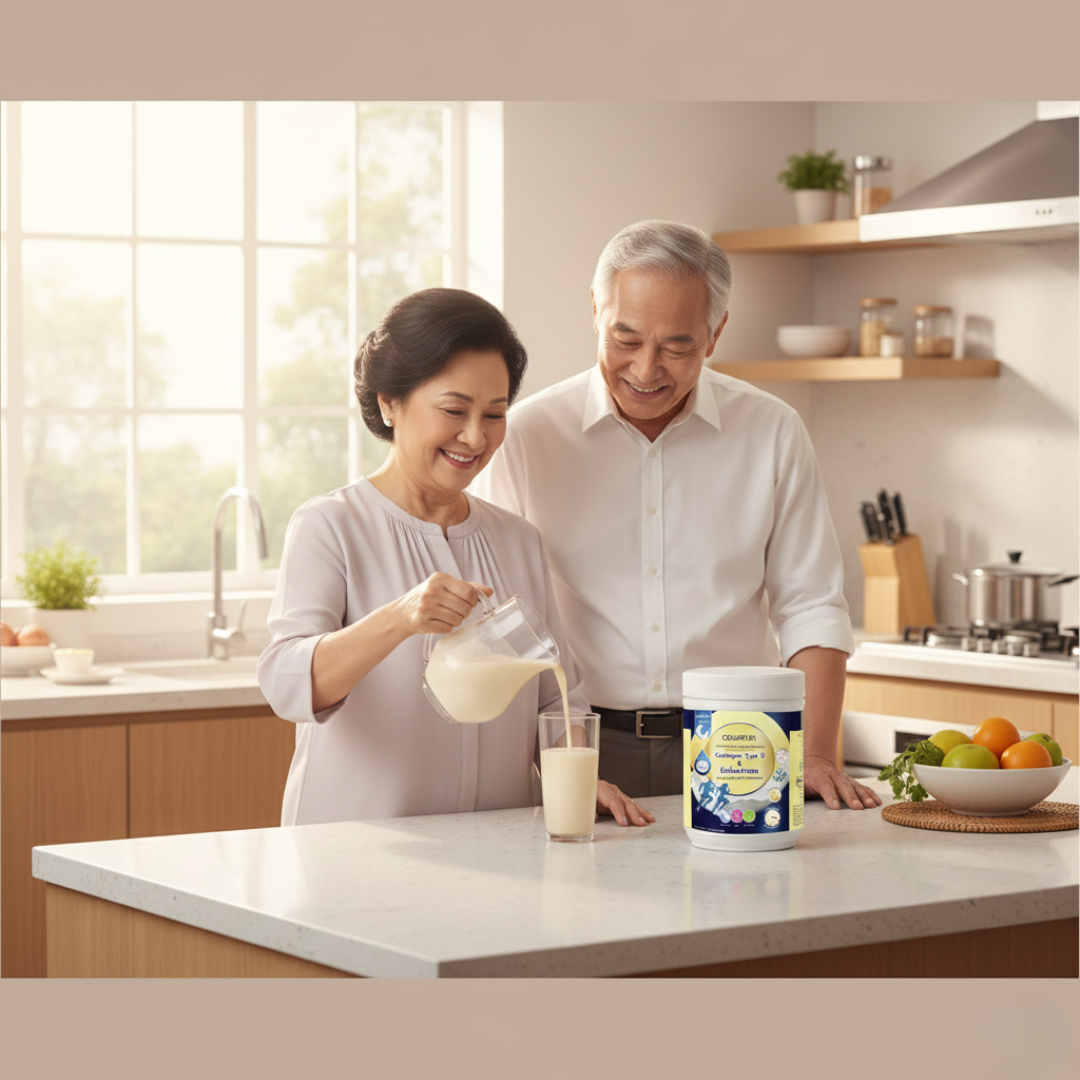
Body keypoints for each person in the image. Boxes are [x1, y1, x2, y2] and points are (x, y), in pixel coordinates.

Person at [471, 220, 882, 812]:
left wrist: (815, 754)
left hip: (745, 743)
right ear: (595, 311)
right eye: (626, 338)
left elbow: (812, 604)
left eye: (677, 346)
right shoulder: (528, 436)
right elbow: (501, 617)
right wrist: (547, 754)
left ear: (715, 334)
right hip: (584, 748)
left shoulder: (771, 431)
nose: (644, 369)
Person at [257, 287, 653, 828]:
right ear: (388, 403)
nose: (475, 436)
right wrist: (399, 619)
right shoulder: (330, 525)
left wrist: (578, 772)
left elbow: (558, 697)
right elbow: (285, 682)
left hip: (498, 851)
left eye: (495, 413)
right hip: (356, 852)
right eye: (453, 410)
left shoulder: (517, 539)